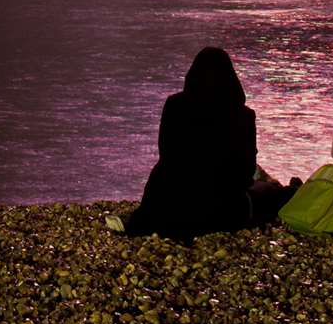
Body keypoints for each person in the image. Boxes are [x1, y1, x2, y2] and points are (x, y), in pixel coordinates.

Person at [122, 46, 292, 241]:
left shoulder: (174, 106)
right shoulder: (244, 115)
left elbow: (166, 154)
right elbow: (245, 173)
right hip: (220, 210)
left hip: (168, 204)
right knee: (269, 193)